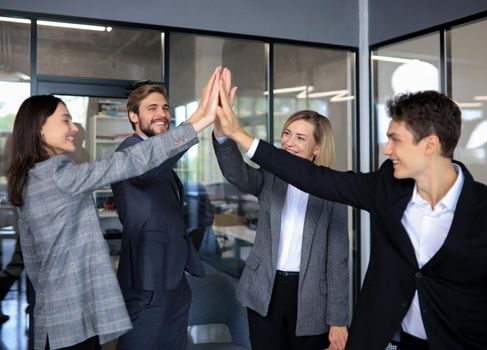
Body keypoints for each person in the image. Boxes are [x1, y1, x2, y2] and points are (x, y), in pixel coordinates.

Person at [215, 88, 487, 350]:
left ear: (430, 144)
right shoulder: (384, 188)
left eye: (395, 140)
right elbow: (313, 177)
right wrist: (236, 135)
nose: (387, 149)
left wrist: (337, 319)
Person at [6, 68, 220, 350]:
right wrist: (199, 122)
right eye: (66, 120)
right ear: (40, 128)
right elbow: (125, 163)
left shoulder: (32, 176)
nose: (73, 127)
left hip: (63, 313)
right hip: (70, 316)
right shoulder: (55, 174)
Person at [213, 93, 350, 350]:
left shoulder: (334, 189)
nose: (288, 142)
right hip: (265, 290)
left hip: (311, 298)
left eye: (300, 138)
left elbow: (338, 261)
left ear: (317, 148)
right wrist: (222, 134)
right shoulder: (270, 176)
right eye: (287, 133)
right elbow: (236, 172)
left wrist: (338, 320)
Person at [111, 73, 219, 349]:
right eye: (152, 108)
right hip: (147, 280)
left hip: (174, 279)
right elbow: (153, 160)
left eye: (165, 108)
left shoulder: (159, 158)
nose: (162, 114)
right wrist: (200, 117)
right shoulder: (127, 155)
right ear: (134, 117)